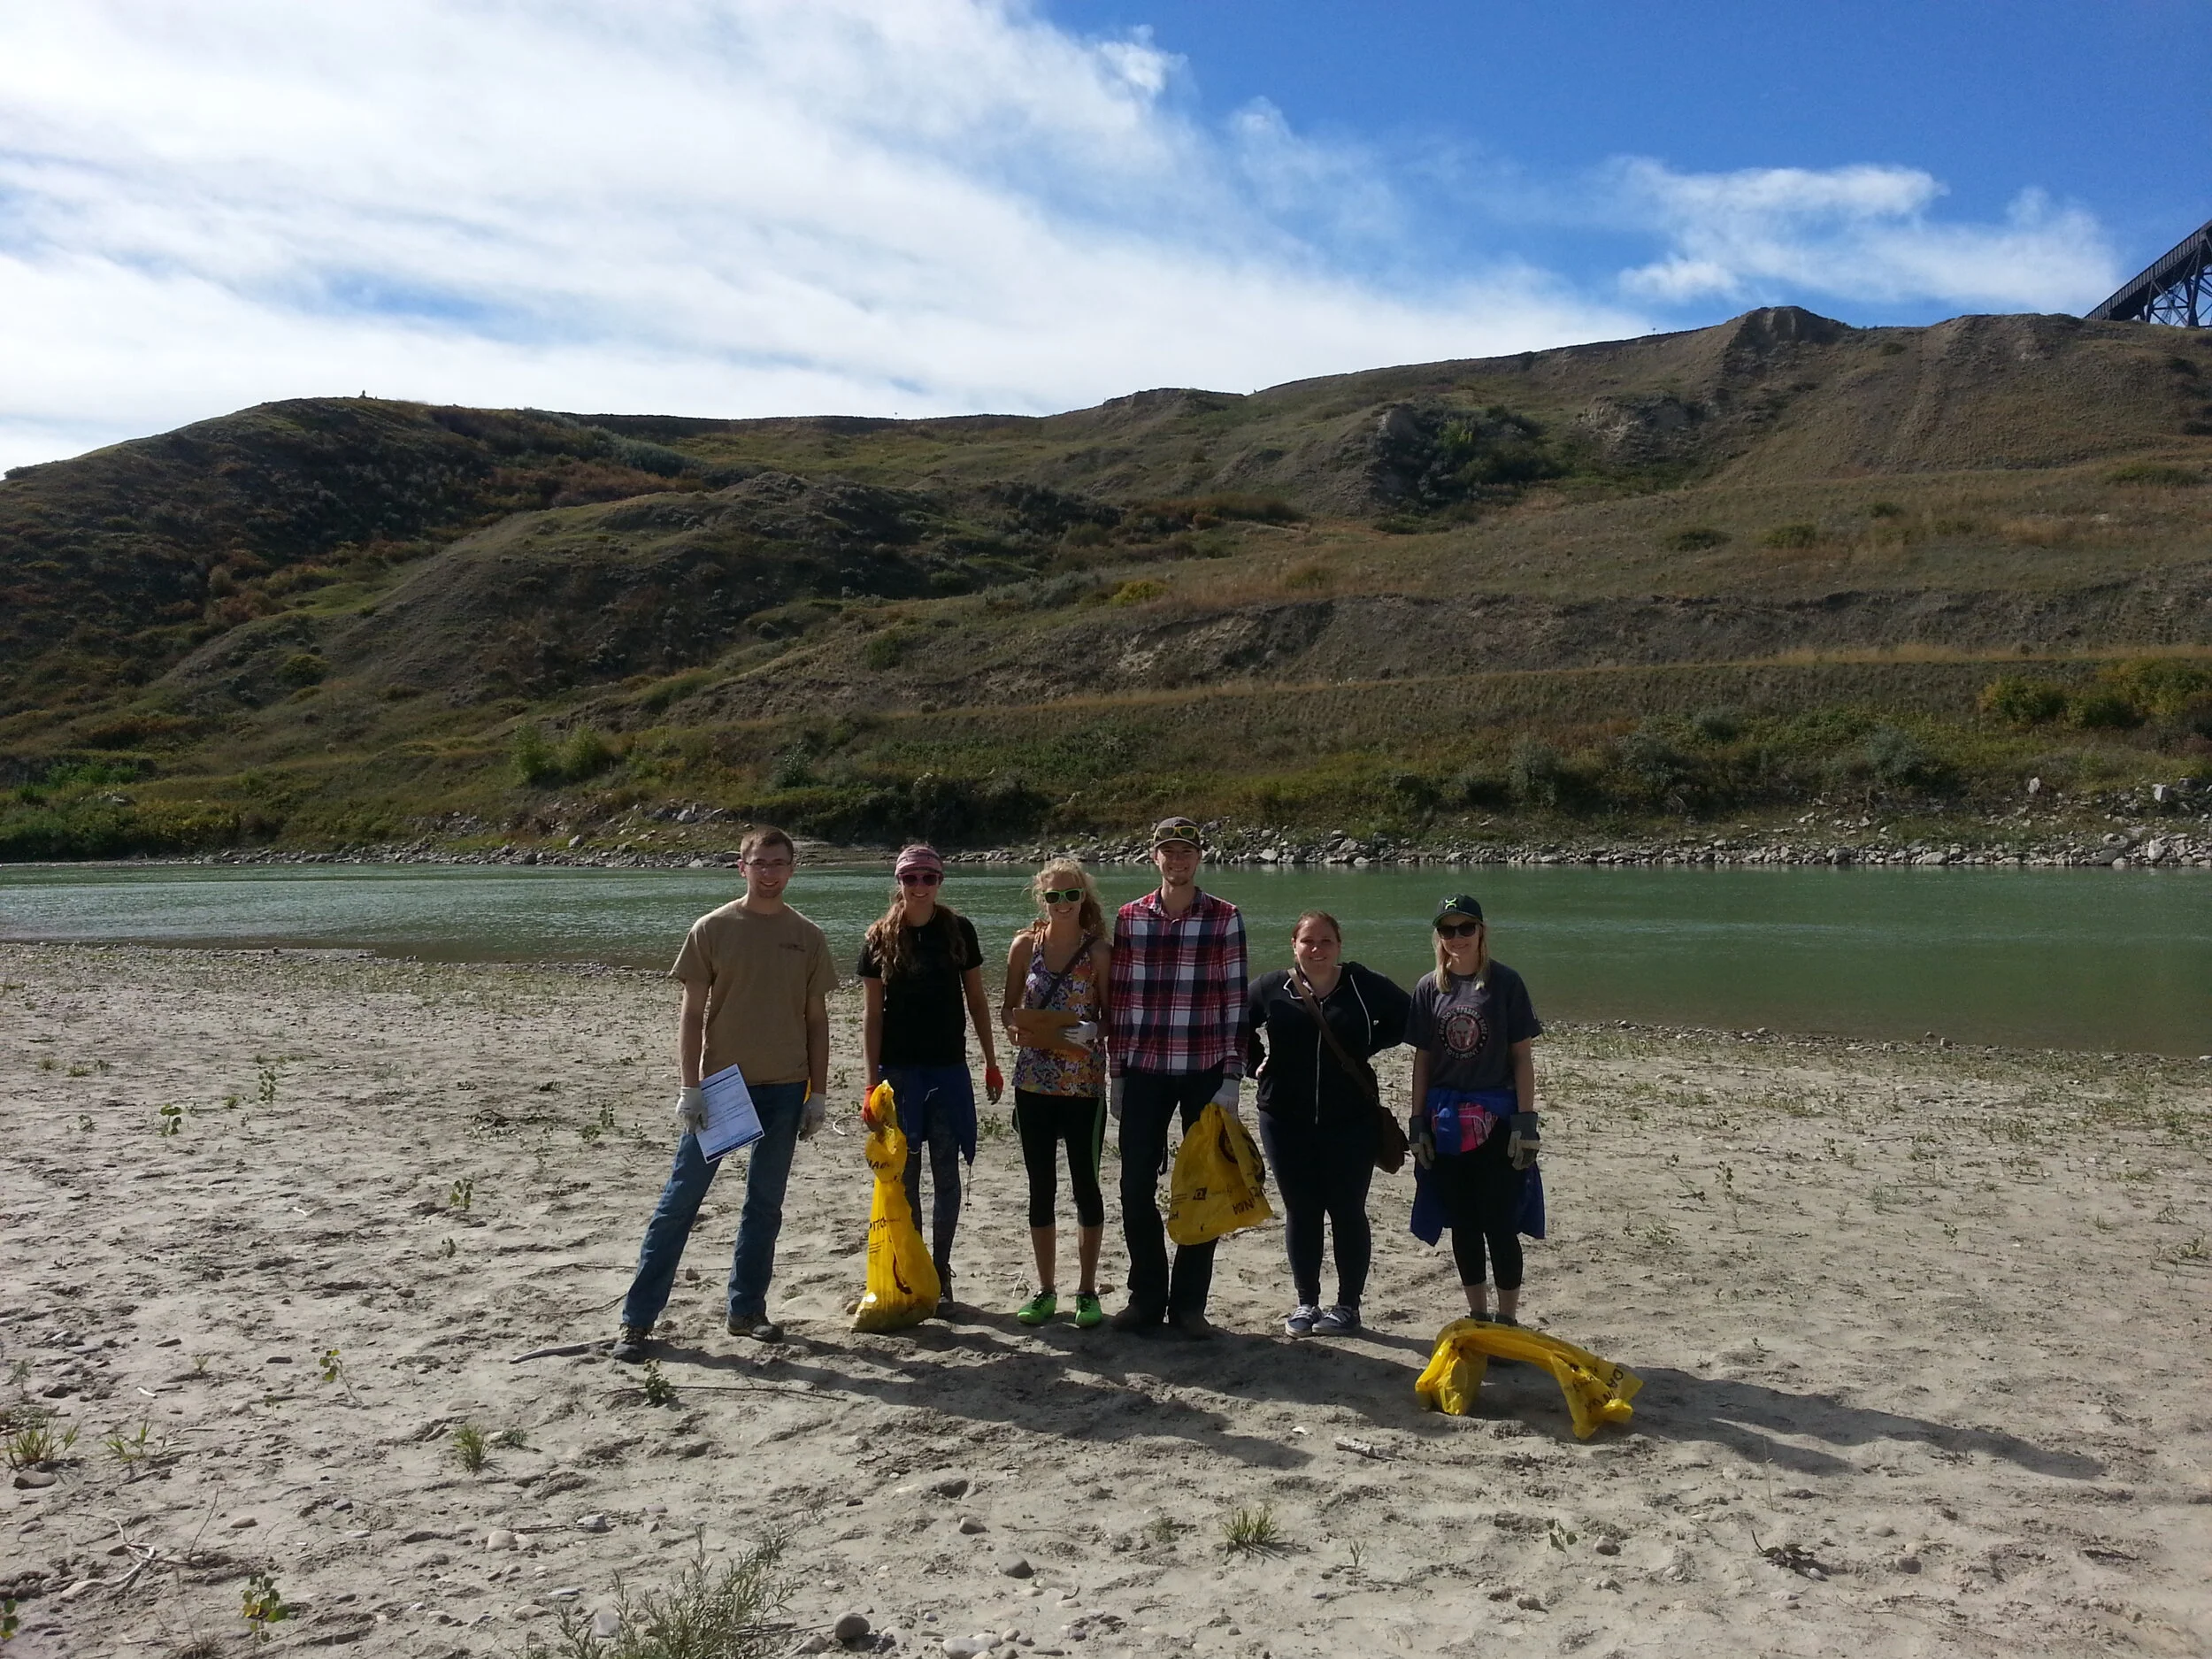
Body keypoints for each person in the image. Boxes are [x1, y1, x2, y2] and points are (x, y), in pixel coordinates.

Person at [612, 826, 836, 1361]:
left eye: (779, 864)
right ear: (742, 867)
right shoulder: (712, 928)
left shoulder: (808, 936)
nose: (769, 873)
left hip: (785, 1087)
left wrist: (818, 1095)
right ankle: (637, 1320)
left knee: (765, 1205)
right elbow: (692, 1015)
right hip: (722, 1089)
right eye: (760, 863)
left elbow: (817, 1021)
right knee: (680, 1202)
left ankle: (747, 1310)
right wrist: (689, 1087)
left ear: (792, 869)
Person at [1104, 816, 1248, 1339]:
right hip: (1144, 1070)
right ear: (1155, 857)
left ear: (1199, 857)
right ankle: (1146, 1298)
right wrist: (1117, 1075)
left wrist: (1232, 1078)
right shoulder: (1129, 918)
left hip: (1203, 1070)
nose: (1178, 859)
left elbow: (1236, 1002)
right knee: (1134, 1186)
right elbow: (1120, 1000)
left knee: (1202, 1187)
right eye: (1169, 850)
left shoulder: (1225, 918)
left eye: (1186, 850)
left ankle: (1189, 1305)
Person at [1246, 910, 1410, 1338]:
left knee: (1347, 1210)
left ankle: (1348, 1306)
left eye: (1326, 941)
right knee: (1301, 1211)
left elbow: (1409, 1016)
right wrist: (1253, 1062)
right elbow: (1234, 1023)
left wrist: (1367, 1044)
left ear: (1339, 945)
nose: (1316, 949)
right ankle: (1306, 1303)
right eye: (1308, 941)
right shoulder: (1271, 987)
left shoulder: (1361, 983)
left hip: (1350, 1119)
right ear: (1293, 945)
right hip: (1283, 1119)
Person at [858, 844, 1002, 1318]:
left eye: (929, 878)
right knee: (905, 1178)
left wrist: (990, 1060)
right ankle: (913, 1270)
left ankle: (940, 1272)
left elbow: (976, 999)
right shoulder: (878, 937)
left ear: (940, 881)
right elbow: (872, 1017)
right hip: (899, 1074)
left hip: (948, 1070)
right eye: (911, 878)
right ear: (898, 882)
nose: (919, 887)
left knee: (947, 1173)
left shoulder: (959, 930)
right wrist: (870, 1083)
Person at [1406, 894, 1544, 1325]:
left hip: (1497, 1119)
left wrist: (1526, 1122)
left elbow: (1521, 1057)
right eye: (1448, 929)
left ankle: (1508, 1319)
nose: (1457, 937)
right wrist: (1417, 1123)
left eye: (1466, 928)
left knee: (1500, 1224)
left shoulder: (1506, 983)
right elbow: (1423, 1061)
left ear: (1482, 931)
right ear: (1438, 936)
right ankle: (1478, 1315)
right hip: (1446, 1123)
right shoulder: (1429, 988)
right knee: (1463, 1224)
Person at [999, 858, 1114, 1329]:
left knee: (1086, 1184)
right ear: (1041, 899)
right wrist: (1013, 1029)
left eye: (1071, 895)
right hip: (1033, 1082)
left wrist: (1094, 1030)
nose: (1062, 903)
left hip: (1084, 1083)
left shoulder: (1100, 951)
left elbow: (1113, 1016)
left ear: (1084, 896)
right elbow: (1008, 1008)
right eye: (1053, 896)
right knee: (1040, 1185)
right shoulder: (1024, 945)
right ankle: (1046, 1289)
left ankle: (1087, 1290)